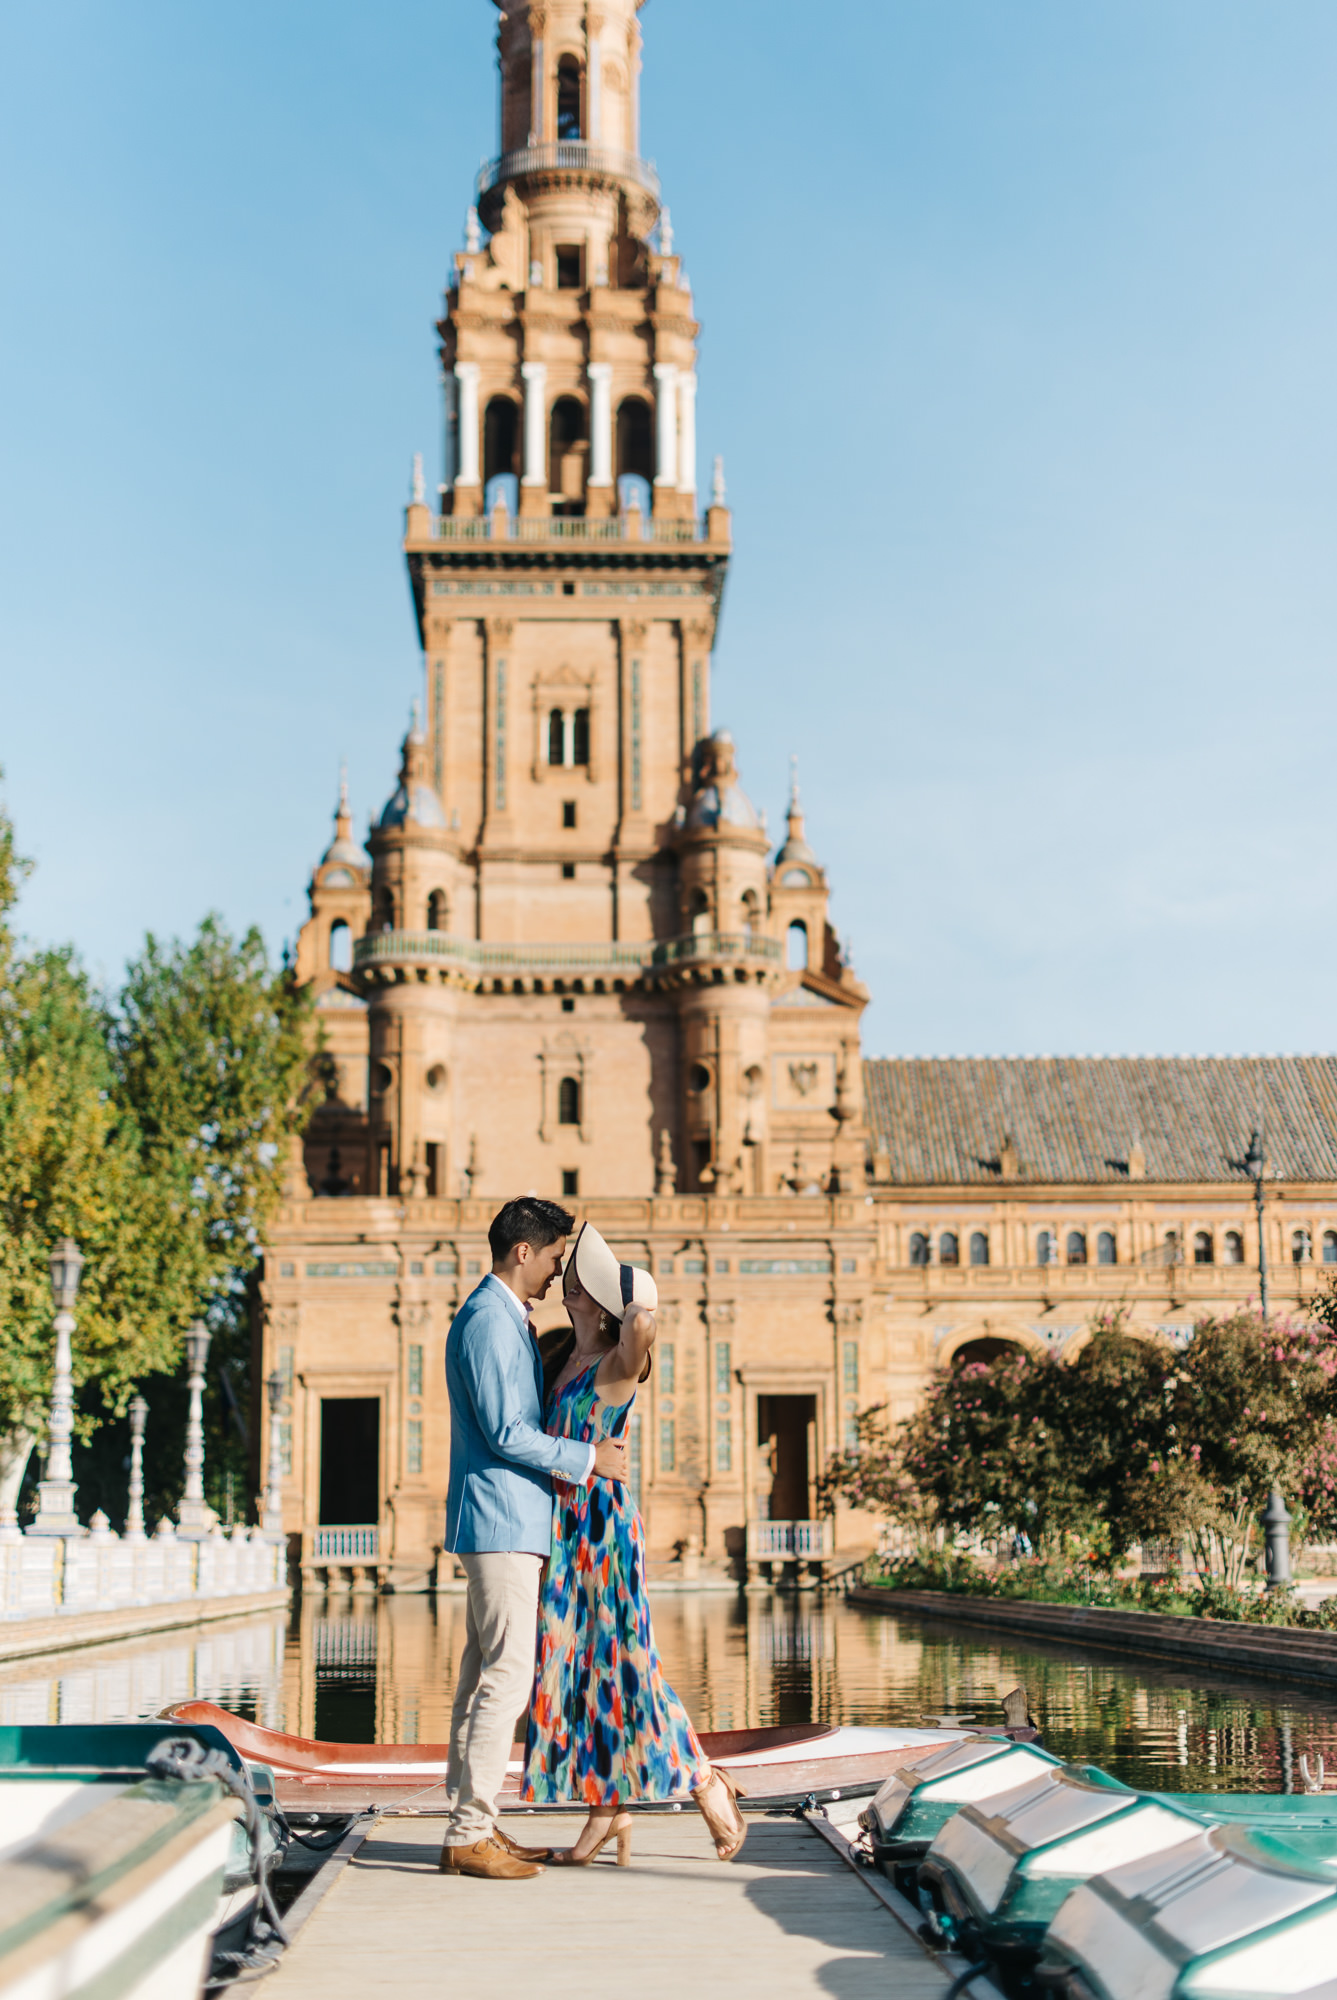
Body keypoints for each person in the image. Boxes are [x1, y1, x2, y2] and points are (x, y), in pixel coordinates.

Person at [520, 1221, 746, 1867]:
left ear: (600, 1303)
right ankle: (607, 1808)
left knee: (628, 1665)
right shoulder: (562, 1361)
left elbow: (643, 1327)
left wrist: (627, 1300)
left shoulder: (617, 1367)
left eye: (578, 1284)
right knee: (579, 1666)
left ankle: (703, 1780)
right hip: (566, 1529)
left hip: (605, 1530)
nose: (567, 1288)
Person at [439, 1197, 630, 1881]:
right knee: (507, 1679)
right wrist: (588, 1459)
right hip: (501, 1521)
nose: (556, 1273)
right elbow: (505, 1432)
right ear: (523, 1251)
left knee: (479, 1682)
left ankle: (472, 1825)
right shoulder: (491, 1320)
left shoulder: (504, 1317)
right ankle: (468, 1832)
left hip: (505, 1520)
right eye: (553, 1257)